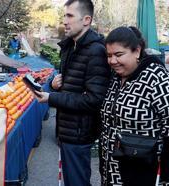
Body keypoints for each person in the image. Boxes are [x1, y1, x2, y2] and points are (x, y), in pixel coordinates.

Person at [34, 0, 111, 185]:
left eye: (69, 16)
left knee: (77, 181)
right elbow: (72, 86)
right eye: (64, 16)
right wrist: (54, 85)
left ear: (86, 20)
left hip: (79, 133)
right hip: (67, 129)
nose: (64, 21)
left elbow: (94, 100)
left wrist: (52, 98)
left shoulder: (96, 51)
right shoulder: (70, 46)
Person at [99, 26, 169, 185]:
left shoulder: (156, 77)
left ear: (137, 51)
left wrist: (168, 169)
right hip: (112, 168)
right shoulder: (115, 77)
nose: (112, 61)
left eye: (119, 55)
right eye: (109, 55)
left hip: (143, 170)